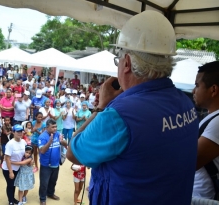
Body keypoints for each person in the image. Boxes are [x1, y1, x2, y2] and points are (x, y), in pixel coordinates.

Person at [67, 10, 199, 205]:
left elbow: (73, 153)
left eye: (118, 60)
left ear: (126, 63)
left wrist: (101, 107)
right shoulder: (186, 103)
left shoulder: (119, 115)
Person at [192, 61, 219, 199]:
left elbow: (190, 161)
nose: (193, 91)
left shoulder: (218, 123)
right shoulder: (213, 118)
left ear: (213, 90)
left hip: (204, 198)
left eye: (197, 85)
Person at [38, 119, 67, 205]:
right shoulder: (42, 137)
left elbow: (66, 144)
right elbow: (42, 151)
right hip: (46, 165)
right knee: (44, 183)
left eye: (56, 127)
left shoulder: (58, 134)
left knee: (53, 181)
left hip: (56, 163)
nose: (55, 129)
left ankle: (50, 193)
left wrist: (62, 141)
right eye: (53, 127)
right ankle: (42, 198)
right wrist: (49, 142)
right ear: (47, 127)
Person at [2, 124, 27, 205]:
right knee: (10, 184)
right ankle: (11, 201)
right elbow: (7, 158)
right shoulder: (10, 144)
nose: (20, 133)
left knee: (14, 184)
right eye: (18, 131)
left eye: (21, 131)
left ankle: (12, 198)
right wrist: (10, 172)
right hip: (8, 168)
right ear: (13, 132)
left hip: (18, 167)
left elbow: (26, 154)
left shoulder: (23, 141)